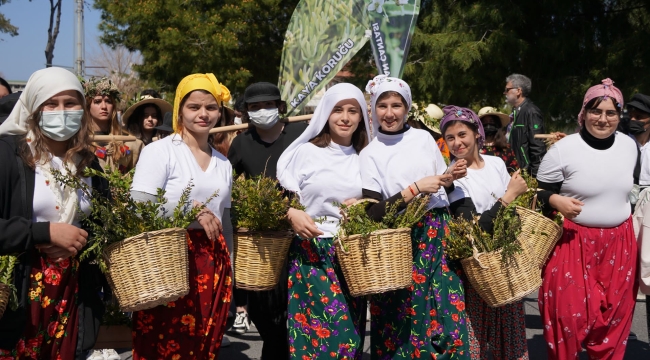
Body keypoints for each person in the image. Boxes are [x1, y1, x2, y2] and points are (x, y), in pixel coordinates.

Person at [0, 67, 108, 359]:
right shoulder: (9, 155)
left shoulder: (89, 165)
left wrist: (80, 241)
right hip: (18, 297)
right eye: (51, 103)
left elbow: (103, 226)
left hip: (72, 295)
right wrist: (44, 232)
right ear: (35, 109)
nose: (62, 111)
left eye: (70, 103)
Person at [360, 75, 470, 359]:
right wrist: (415, 188)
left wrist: (449, 177)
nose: (389, 113)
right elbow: (373, 212)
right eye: (382, 105)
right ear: (372, 109)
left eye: (396, 105)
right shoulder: (370, 153)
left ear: (407, 107)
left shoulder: (423, 139)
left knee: (446, 316)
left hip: (437, 234)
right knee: (400, 322)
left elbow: (445, 186)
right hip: (399, 243)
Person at [130, 73, 233, 359]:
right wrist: (189, 209)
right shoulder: (159, 152)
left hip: (213, 262)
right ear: (179, 110)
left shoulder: (223, 162)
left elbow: (225, 221)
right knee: (165, 342)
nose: (204, 114)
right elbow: (139, 207)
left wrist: (231, 272)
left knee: (205, 343)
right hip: (169, 261)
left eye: (211, 107)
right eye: (194, 107)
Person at [536, 78, 638, 359]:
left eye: (611, 113)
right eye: (596, 111)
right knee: (567, 318)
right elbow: (536, 192)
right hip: (572, 241)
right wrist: (555, 200)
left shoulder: (630, 147)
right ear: (584, 112)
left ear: (619, 115)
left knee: (613, 321)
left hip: (620, 244)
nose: (603, 119)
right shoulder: (563, 149)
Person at [277, 83, 370, 359]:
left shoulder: (366, 156)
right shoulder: (306, 152)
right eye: (337, 110)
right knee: (323, 336)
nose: (345, 117)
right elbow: (279, 196)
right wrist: (291, 213)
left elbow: (379, 202)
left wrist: (365, 206)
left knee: (350, 336)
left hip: (352, 254)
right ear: (325, 114)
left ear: (362, 116)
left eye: (353, 111)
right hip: (311, 251)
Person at [227, 82, 307, 358]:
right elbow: (227, 187)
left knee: (293, 311)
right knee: (265, 314)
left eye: (268, 104)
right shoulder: (240, 143)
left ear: (280, 107)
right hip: (262, 243)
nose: (262, 110)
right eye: (255, 107)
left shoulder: (301, 134)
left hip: (301, 235)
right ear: (246, 111)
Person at [442, 106, 529, 360]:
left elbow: (512, 213)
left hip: (504, 261)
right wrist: (509, 195)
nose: (457, 143)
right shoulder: (453, 176)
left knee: (511, 336)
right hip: (477, 267)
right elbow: (473, 229)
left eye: (462, 134)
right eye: (450, 138)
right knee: (474, 339)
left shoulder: (496, 163)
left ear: (477, 133)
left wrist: (507, 203)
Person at [83, 77, 144, 173]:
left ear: (114, 107)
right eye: (97, 101)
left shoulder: (130, 143)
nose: (104, 107)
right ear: (88, 106)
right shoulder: (80, 142)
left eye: (108, 101)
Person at [504, 74, 546, 177]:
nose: (504, 92)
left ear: (518, 91)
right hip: (515, 171)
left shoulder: (531, 112)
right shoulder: (516, 112)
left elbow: (538, 146)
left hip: (527, 174)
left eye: (507, 89)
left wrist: (535, 176)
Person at [478, 106, 518, 174]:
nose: (488, 124)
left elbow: (514, 173)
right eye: (484, 122)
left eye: (491, 121)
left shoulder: (506, 148)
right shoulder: (474, 149)